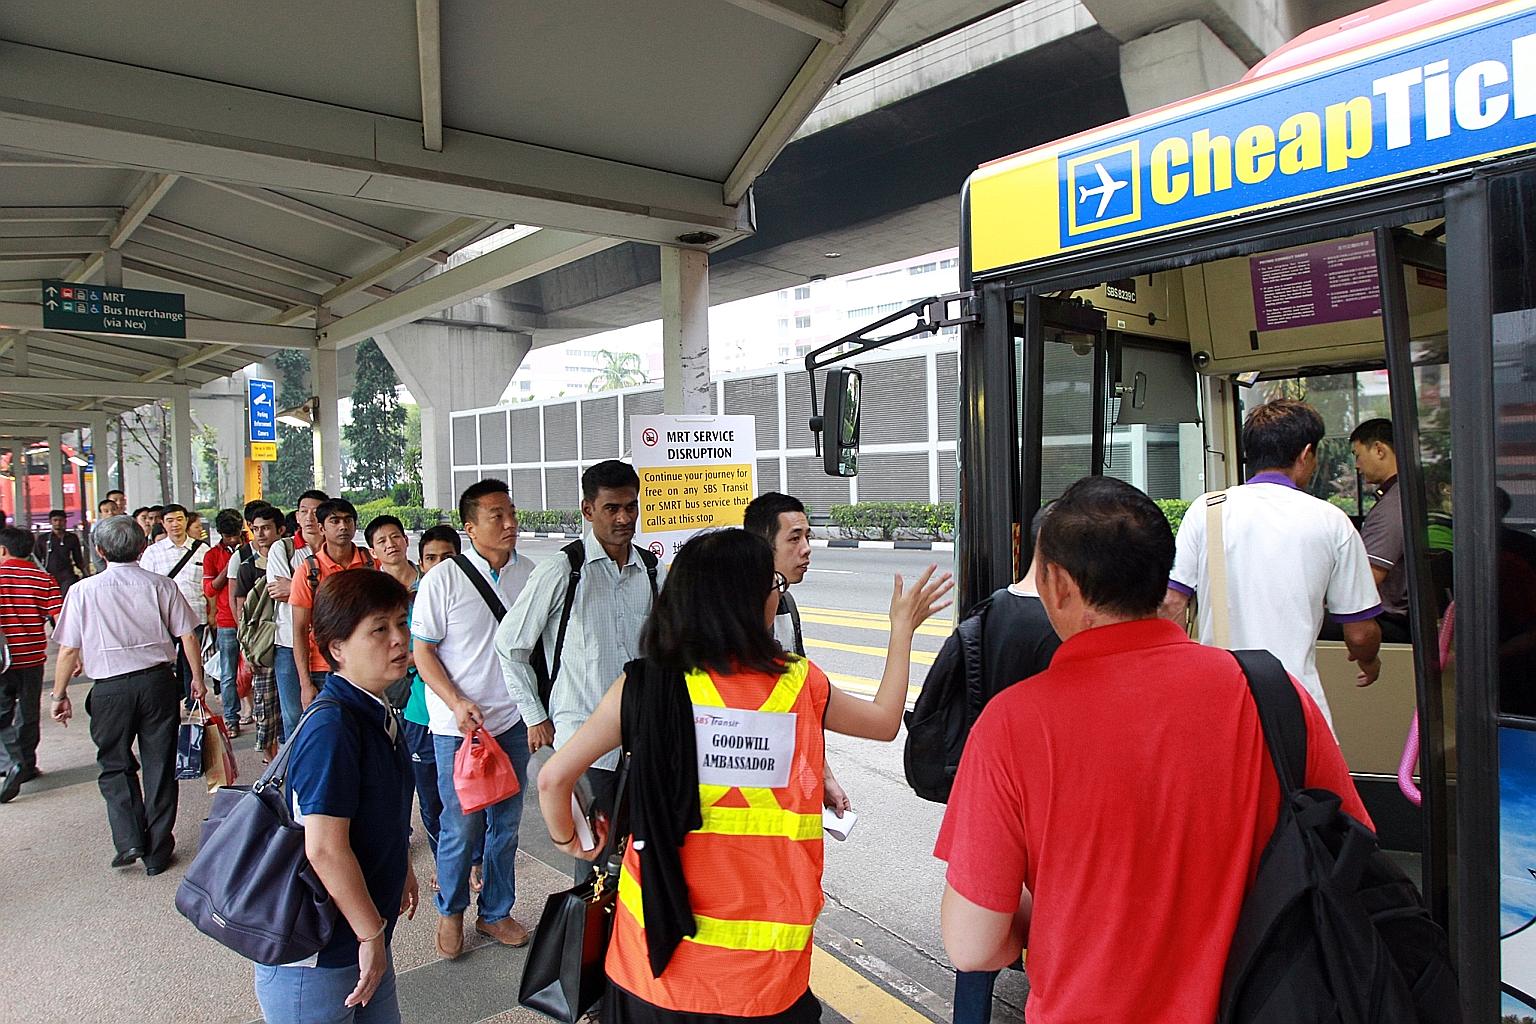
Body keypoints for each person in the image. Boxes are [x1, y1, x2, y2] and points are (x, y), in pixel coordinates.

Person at [936, 476, 1371, 1023]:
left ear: (1055, 582)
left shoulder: (1013, 724)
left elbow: (972, 945)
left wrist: (1039, 917)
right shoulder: (1271, 691)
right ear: (1162, 575)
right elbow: (1351, 851)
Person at [537, 529, 952, 1022]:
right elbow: (885, 721)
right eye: (774, 584)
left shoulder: (644, 684)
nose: (779, 594)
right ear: (750, 600)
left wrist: (572, 839)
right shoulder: (799, 684)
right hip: (766, 976)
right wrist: (901, 630)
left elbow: (553, 779)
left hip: (654, 964)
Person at [252, 568, 419, 1024]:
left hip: (364, 937)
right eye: (379, 629)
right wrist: (369, 935)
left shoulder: (375, 707)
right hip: (320, 956)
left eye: (402, 623)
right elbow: (324, 847)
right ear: (336, 648)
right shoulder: (333, 726)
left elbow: (379, 810)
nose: (399, 640)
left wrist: (399, 864)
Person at [1161, 399, 1382, 727]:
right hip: (1297, 701)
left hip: (1220, 699)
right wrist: (1369, 661)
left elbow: (1170, 605)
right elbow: (1361, 634)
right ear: (1306, 454)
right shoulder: (1331, 521)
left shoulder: (1207, 509)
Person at [498, 460, 663, 857]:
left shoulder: (653, 570)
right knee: (596, 863)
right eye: (611, 508)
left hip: (644, 744)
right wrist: (534, 714)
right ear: (588, 510)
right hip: (585, 748)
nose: (624, 518)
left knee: (645, 860)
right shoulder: (563, 570)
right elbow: (510, 645)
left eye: (631, 506)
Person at [937, 502, 1063, 1024]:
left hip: (991, 785)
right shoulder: (1062, 625)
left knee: (979, 922)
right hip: (1046, 792)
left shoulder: (990, 609)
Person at [414, 480, 535, 958]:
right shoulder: (441, 580)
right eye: (495, 516)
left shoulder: (531, 574)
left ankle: (496, 912)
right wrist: (454, 700)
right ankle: (450, 910)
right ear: (470, 527)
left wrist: (537, 710)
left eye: (511, 513)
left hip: (511, 723)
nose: (509, 524)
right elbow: (422, 653)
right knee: (461, 827)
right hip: (457, 730)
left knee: (505, 824)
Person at [51, 515, 205, 875]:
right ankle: (157, 851)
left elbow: (68, 650)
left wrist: (59, 694)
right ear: (142, 547)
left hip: (109, 691)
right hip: (158, 684)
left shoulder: (83, 591)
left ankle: (129, 839)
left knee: (114, 764)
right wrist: (196, 678)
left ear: (100, 551)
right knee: (160, 764)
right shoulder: (160, 585)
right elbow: (188, 636)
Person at [742, 492, 851, 816]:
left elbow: (804, 705)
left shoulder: (786, 607)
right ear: (763, 545)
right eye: (794, 538)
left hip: (786, 789)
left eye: (808, 536)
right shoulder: (729, 619)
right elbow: (882, 721)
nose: (806, 549)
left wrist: (824, 774)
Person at [289, 498, 375, 713]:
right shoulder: (309, 571)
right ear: (321, 528)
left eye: (348, 520)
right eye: (334, 521)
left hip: (367, 663)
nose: (343, 527)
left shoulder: (371, 563)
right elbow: (299, 630)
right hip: (324, 668)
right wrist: (305, 683)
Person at [0, 527, 64, 802]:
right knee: (28, 711)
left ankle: (12, 762)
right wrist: (71, 655)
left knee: (2, 713)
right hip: (32, 656)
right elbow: (60, 618)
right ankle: (26, 764)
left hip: (2, 659)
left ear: (3, 550)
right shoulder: (42, 578)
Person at [267, 489, 328, 738]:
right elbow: (279, 591)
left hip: (328, 645)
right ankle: (293, 774)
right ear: (297, 515)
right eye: (304, 511)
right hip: (289, 644)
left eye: (316, 512)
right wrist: (324, 588)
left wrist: (297, 586)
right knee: (294, 717)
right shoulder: (283, 549)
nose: (309, 517)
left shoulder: (336, 548)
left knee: (328, 716)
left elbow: (344, 595)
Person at [1349, 418, 1412, 643]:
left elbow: (1369, 577)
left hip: (1391, 619)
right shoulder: (1402, 495)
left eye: (1357, 455)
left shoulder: (1393, 505)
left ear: (1379, 450)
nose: (1357, 465)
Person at [140, 503, 208, 700]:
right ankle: (166, 701)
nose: (175, 524)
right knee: (163, 663)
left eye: (179, 519)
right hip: (163, 617)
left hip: (195, 615)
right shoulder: (153, 552)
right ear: (162, 523)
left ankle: (192, 701)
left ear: (186, 521)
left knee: (193, 663)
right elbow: (146, 586)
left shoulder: (202, 550)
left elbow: (209, 584)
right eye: (170, 520)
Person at [235, 504, 284, 761]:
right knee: (265, 705)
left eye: (266, 528)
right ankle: (270, 759)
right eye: (256, 529)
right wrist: (247, 647)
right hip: (260, 646)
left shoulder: (291, 562)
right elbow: (242, 610)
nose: (261, 534)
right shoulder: (247, 567)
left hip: (287, 642)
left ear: (281, 530)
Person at [203, 509, 248, 735]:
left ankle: (259, 713)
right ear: (220, 534)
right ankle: (232, 718)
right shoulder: (212, 555)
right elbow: (210, 589)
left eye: (236, 534)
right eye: (227, 535)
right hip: (226, 621)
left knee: (258, 669)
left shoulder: (253, 549)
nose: (232, 539)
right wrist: (230, 565)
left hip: (252, 620)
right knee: (228, 673)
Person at [41, 509, 88, 596]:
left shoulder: (72, 538)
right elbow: (37, 558)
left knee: (66, 598)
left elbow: (78, 558)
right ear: (50, 522)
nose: (58, 523)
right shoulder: (43, 539)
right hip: (49, 575)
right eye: (55, 520)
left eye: (61, 520)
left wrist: (85, 573)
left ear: (65, 521)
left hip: (67, 575)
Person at [91, 497, 119, 574]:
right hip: (105, 570)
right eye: (106, 511)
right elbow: (96, 555)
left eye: (114, 509)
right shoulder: (97, 530)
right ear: (101, 514)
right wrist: (103, 571)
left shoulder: (126, 526)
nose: (111, 513)